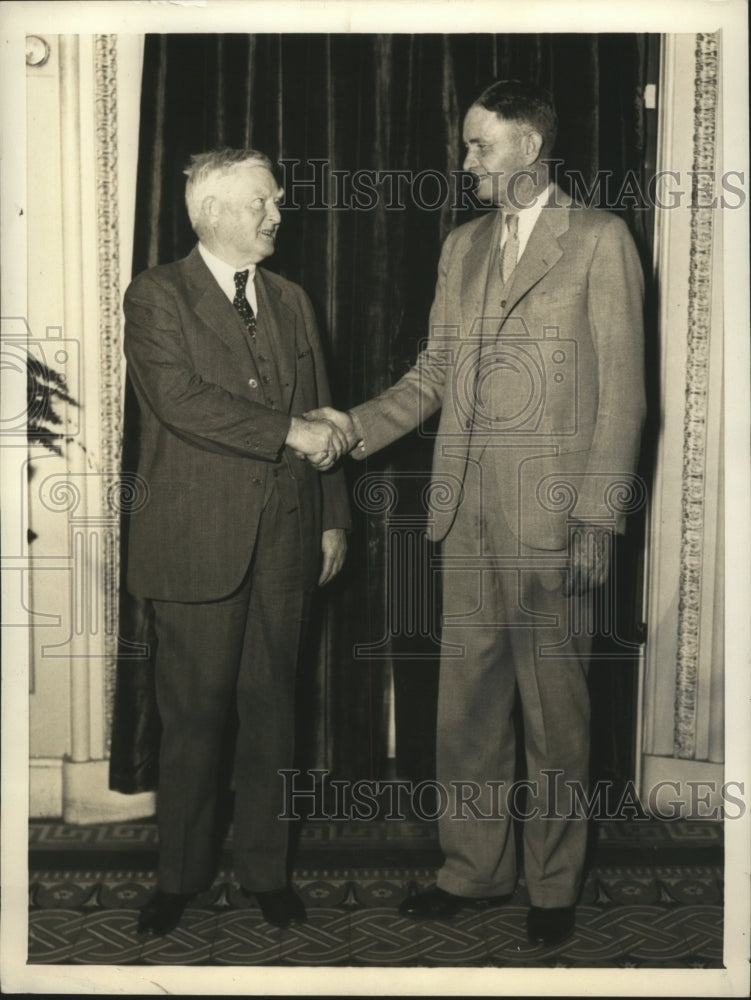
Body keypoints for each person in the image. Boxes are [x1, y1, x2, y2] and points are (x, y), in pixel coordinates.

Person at [309, 79, 645, 946]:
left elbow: (624, 401)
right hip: (461, 522)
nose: (464, 163)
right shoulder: (459, 248)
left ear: (528, 150)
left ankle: (553, 886)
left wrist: (598, 523)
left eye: (478, 147)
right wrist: (350, 428)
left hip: (554, 524)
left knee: (555, 719)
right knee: (465, 715)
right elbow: (431, 378)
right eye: (466, 147)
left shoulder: (601, 241)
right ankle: (473, 872)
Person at [123, 148, 351, 935]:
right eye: (263, 201)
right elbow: (183, 402)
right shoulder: (156, 296)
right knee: (191, 721)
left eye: (277, 200)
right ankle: (178, 876)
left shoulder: (290, 298)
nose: (277, 214)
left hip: (286, 542)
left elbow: (321, 407)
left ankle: (266, 869)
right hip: (193, 545)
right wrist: (287, 431)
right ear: (214, 209)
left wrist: (331, 516)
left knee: (273, 715)